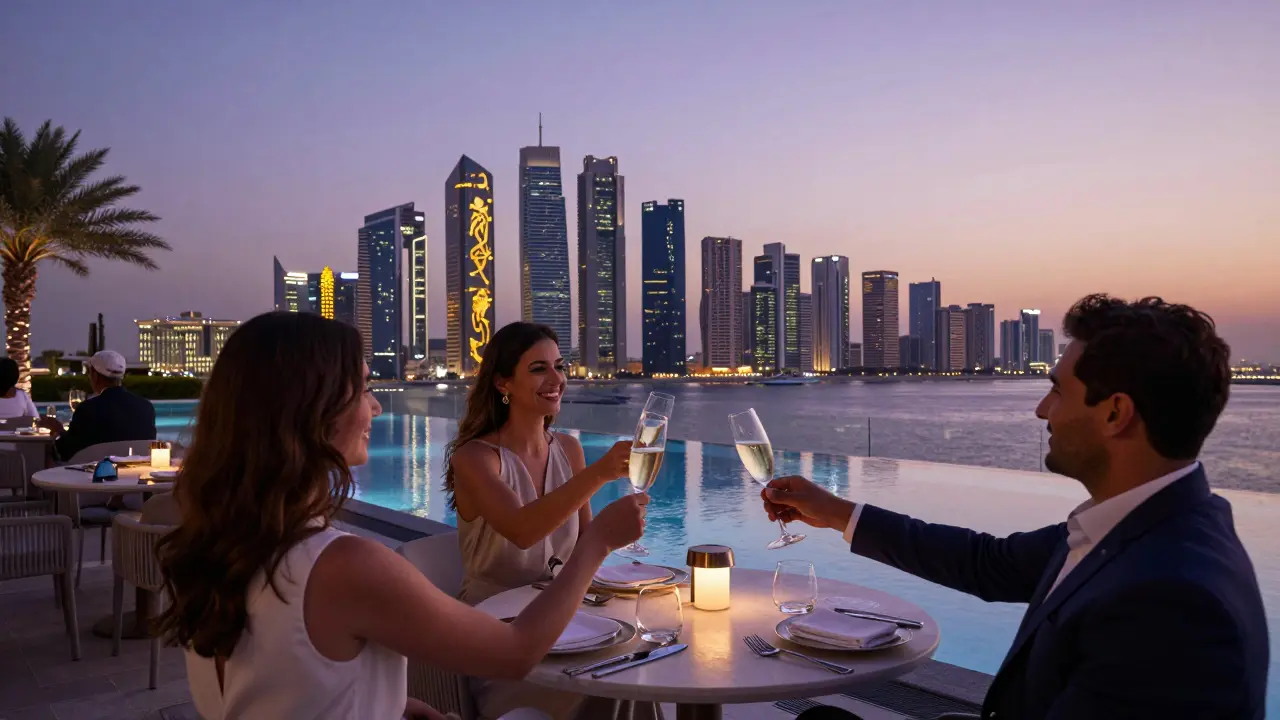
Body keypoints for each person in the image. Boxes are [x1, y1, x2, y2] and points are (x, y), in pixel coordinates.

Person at [763, 295, 1268, 720]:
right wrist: (836, 512)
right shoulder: (1145, 527)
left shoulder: (1170, 601)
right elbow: (988, 562)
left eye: (1057, 391)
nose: (1041, 409)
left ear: (1115, 413)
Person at [155, 312, 649, 720]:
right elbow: (515, 652)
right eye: (364, 388)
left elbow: (284, 685)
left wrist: (397, 707)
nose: (376, 408)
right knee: (620, 695)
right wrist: (596, 544)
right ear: (310, 411)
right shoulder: (343, 565)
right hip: (508, 654)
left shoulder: (225, 552)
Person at [444, 322, 649, 720]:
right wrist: (601, 473)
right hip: (496, 638)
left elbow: (585, 545)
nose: (556, 379)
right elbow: (522, 530)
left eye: (559, 366)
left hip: (562, 623)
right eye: (539, 369)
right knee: (606, 689)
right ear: (503, 383)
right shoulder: (474, 458)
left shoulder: (569, 449)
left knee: (635, 672)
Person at [38, 350, 157, 461]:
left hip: (92, 474)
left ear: (94, 376)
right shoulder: (146, 407)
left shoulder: (88, 409)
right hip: (135, 473)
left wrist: (58, 430)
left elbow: (64, 453)